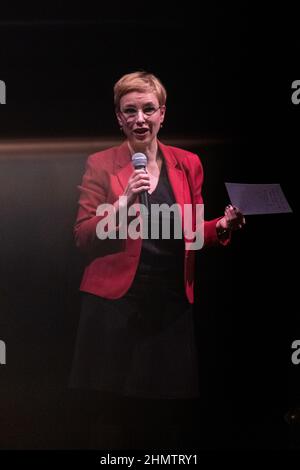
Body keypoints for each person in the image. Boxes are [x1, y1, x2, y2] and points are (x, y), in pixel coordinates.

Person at [69, 71, 245, 449]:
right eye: (129, 111)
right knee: (109, 421)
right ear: (118, 117)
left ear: (162, 114)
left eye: (148, 109)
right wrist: (122, 203)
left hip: (169, 306)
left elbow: (193, 231)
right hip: (114, 307)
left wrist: (224, 226)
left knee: (163, 425)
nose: (140, 119)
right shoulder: (101, 164)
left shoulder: (188, 164)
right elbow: (84, 236)